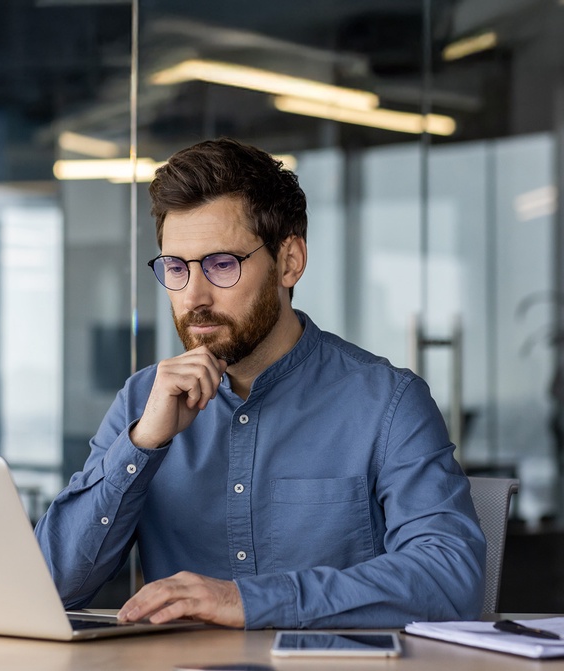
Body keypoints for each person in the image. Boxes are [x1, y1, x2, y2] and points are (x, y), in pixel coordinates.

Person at [35, 138, 484, 629]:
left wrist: (249, 600)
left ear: (289, 261)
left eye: (222, 264)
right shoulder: (142, 403)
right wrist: (142, 444)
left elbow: (449, 578)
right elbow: (49, 586)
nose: (195, 296)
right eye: (177, 268)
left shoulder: (387, 403)